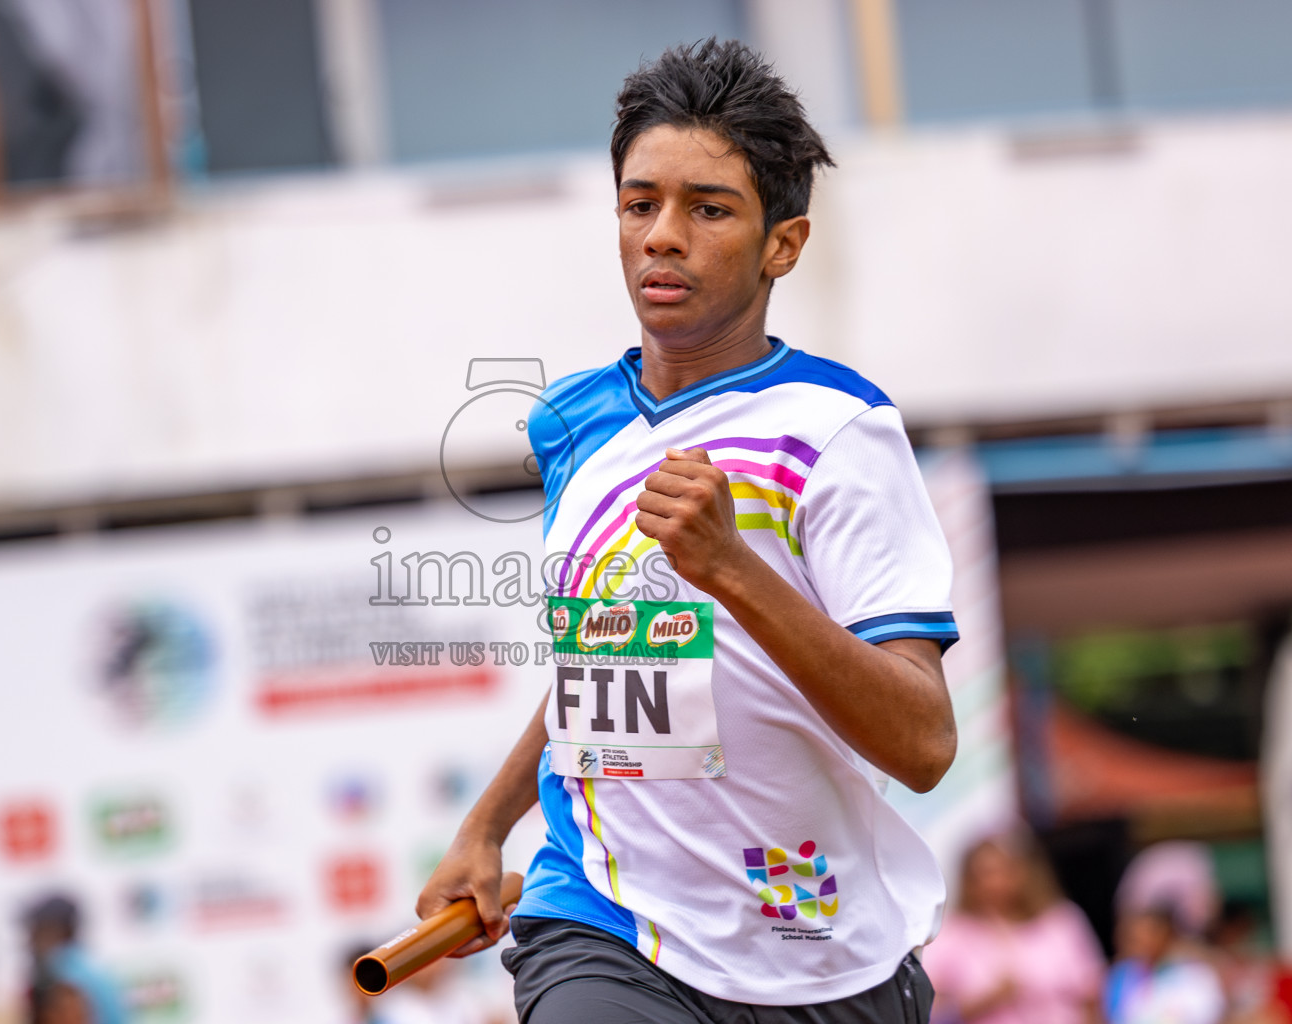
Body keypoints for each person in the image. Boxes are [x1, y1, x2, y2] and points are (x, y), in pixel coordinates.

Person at [417, 38, 961, 1024]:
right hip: (604, 919)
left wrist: (734, 569)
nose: (662, 235)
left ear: (782, 244)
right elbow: (609, 656)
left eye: (708, 208)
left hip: (814, 944)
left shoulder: (838, 430)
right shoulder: (571, 423)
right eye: (640, 203)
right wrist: (488, 825)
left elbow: (922, 741)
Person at [920, 830, 1106, 1024]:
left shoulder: (1061, 921)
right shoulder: (953, 933)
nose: (996, 883)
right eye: (984, 874)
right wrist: (985, 1000)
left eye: (1005, 870)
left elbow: (1092, 994)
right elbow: (929, 1009)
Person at [1106, 904, 1226, 1024]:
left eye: (1148, 934)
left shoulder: (1196, 974)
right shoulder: (1121, 976)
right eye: (1134, 937)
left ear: (1167, 934)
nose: (1141, 942)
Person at [23, 894, 128, 1024]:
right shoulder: (90, 968)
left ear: (57, 930)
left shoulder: (62, 972)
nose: (30, 939)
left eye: (36, 929)